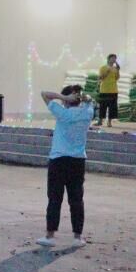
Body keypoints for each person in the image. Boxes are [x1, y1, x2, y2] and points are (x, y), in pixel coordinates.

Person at [38, 86, 94, 248]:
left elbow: (44, 93)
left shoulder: (62, 113)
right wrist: (80, 97)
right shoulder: (87, 113)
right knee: (76, 199)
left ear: (67, 100)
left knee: (54, 198)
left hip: (58, 160)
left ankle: (50, 236)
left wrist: (63, 97)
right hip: (77, 161)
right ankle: (77, 236)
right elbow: (91, 99)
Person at [96, 54, 120, 128]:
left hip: (113, 90)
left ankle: (109, 122)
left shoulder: (115, 68)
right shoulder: (103, 68)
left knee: (112, 107)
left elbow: (117, 78)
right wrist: (107, 71)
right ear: (108, 59)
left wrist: (118, 70)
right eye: (112, 58)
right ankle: (100, 121)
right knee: (102, 106)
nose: (114, 60)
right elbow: (101, 78)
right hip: (104, 90)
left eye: (115, 58)